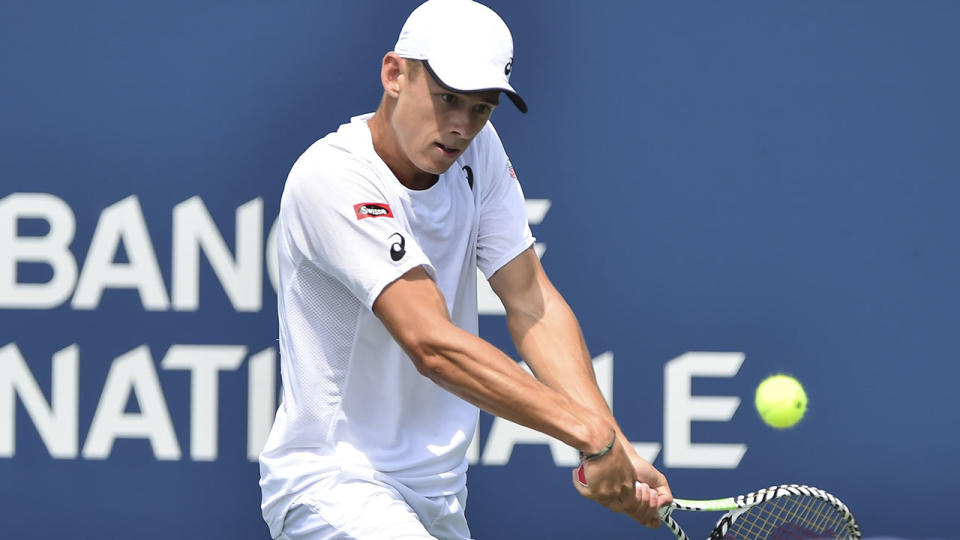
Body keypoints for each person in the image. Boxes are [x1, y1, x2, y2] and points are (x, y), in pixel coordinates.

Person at [259, 1, 672, 538]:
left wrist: (618, 446)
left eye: (481, 109)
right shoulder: (334, 177)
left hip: (438, 497)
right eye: (447, 98)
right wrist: (591, 435)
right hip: (334, 487)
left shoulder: (480, 155)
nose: (461, 126)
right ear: (394, 74)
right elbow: (433, 345)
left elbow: (531, 303)